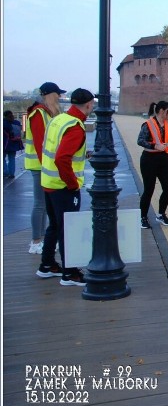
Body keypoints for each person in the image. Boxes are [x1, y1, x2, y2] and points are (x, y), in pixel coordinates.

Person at [37, 88, 99, 287]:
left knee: (54, 225)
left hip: (48, 182)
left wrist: (82, 154)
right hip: (63, 187)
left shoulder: (59, 119)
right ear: (88, 104)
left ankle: (47, 265)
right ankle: (70, 273)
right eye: (93, 104)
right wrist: (72, 185)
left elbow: (53, 149)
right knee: (68, 229)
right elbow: (62, 158)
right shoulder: (75, 126)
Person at [23, 82, 65, 254]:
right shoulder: (39, 114)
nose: (60, 97)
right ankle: (36, 241)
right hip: (40, 166)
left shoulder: (45, 113)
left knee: (45, 205)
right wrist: (51, 166)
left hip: (43, 166)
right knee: (40, 204)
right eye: (58, 94)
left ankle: (42, 238)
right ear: (50, 95)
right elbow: (42, 144)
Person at [137, 101, 168, 229]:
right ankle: (143, 217)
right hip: (149, 159)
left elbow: (167, 139)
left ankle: (161, 214)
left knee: (167, 188)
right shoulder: (148, 124)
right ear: (161, 111)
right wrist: (154, 145)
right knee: (149, 189)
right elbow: (140, 140)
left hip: (163, 158)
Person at [3, 110, 24, 178]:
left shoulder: (3, 123)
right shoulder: (17, 123)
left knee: (2, 159)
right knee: (12, 158)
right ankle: (11, 173)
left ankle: (5, 172)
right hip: (14, 143)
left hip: (5, 144)